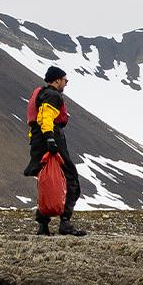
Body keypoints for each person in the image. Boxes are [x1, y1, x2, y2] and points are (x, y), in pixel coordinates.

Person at [22, 66, 86, 236]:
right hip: (50, 139)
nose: (66, 83)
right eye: (65, 80)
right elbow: (46, 117)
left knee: (47, 183)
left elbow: (38, 119)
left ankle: (43, 225)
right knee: (71, 179)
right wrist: (51, 139)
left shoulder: (42, 93)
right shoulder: (52, 95)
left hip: (37, 141)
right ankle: (65, 222)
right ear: (57, 80)